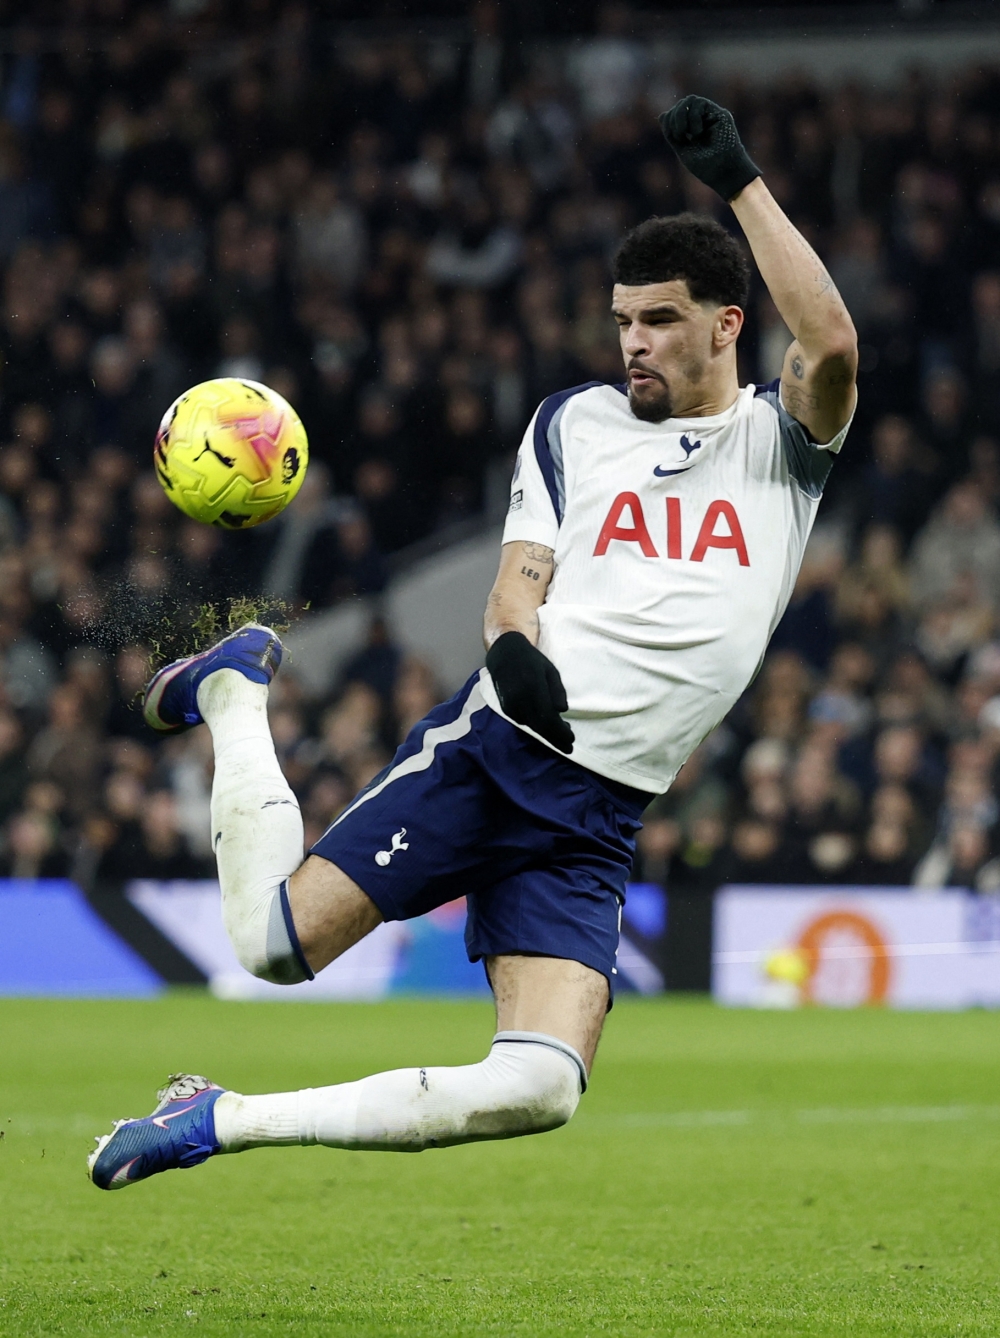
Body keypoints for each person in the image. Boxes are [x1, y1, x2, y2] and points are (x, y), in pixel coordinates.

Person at [88, 96, 858, 1191]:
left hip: (601, 812)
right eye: (622, 321)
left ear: (729, 325)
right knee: (271, 946)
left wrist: (739, 181)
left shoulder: (780, 444)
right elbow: (516, 585)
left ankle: (220, 1118)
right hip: (498, 755)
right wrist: (511, 652)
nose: (633, 343)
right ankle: (234, 693)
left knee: (540, 1087)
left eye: (659, 320)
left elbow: (832, 342)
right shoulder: (574, 423)